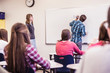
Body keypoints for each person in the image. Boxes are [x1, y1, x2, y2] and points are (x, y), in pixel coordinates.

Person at [76, 7, 110, 73]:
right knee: (78, 55)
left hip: (73, 41)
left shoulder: (74, 22)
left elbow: (70, 24)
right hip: (79, 41)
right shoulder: (82, 26)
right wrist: (85, 33)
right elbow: (83, 34)